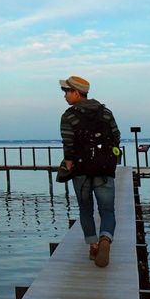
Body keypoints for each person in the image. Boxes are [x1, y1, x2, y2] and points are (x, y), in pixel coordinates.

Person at [57, 75, 121, 268]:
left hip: (80, 171)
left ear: (76, 92)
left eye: (66, 91)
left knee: (86, 210)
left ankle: (93, 246)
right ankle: (105, 239)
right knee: (107, 210)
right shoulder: (106, 112)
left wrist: (68, 166)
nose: (65, 96)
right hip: (104, 170)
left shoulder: (68, 116)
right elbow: (116, 137)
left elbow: (68, 146)